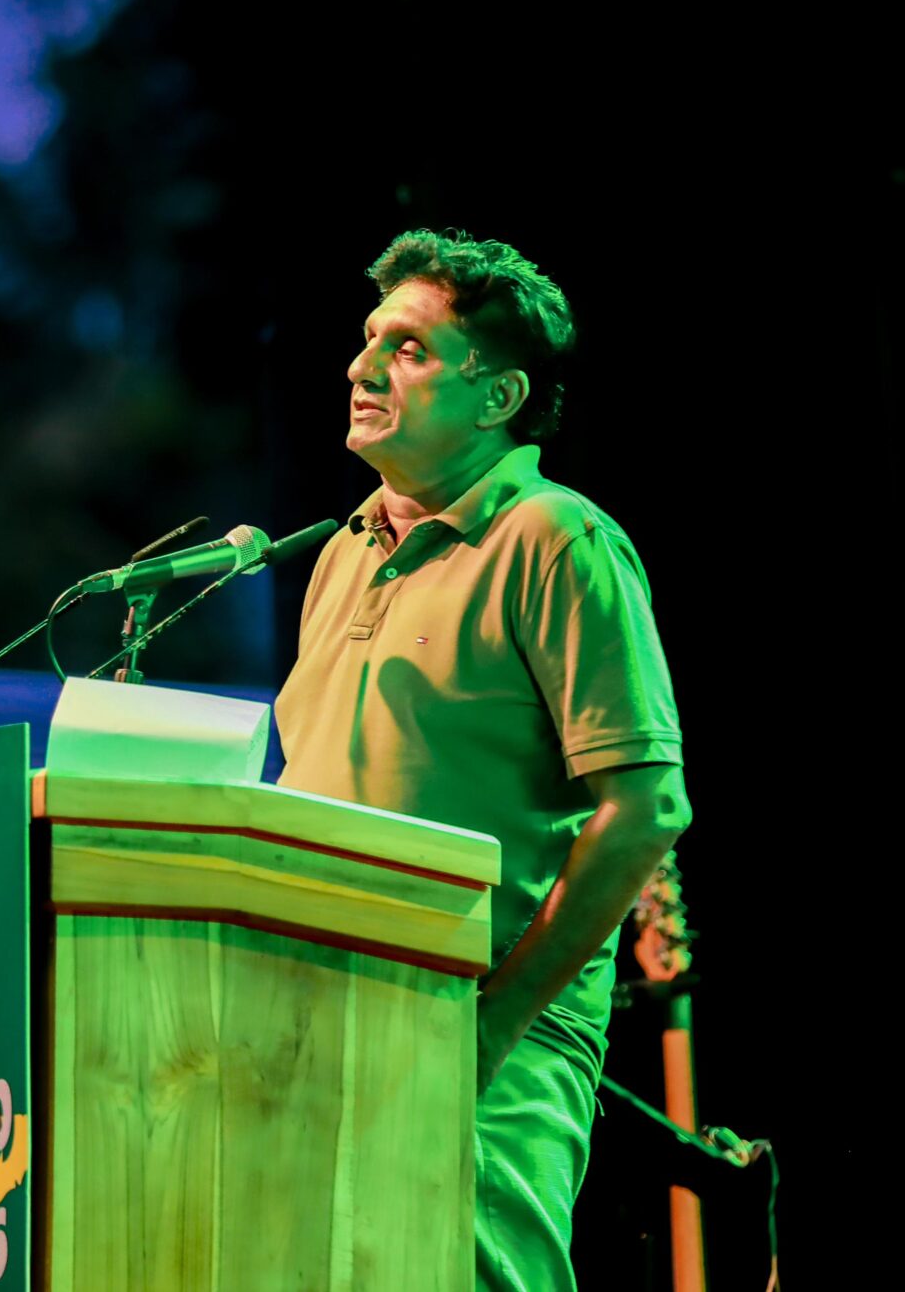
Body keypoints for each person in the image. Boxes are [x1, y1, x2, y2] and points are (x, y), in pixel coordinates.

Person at [275, 229, 692, 1291]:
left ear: (498, 395)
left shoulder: (557, 539)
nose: (363, 367)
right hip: (315, 1022)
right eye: (369, 339)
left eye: (408, 349)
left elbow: (646, 809)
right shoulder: (339, 553)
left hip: (479, 1028)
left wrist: (492, 1022)